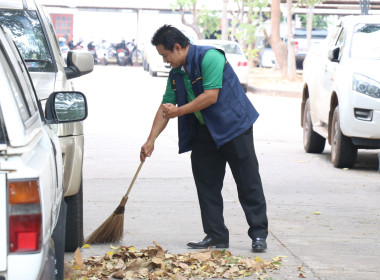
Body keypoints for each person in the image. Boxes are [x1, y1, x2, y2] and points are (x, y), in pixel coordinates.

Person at [140, 25, 268, 252]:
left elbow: (210, 96)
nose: (165, 61)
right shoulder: (176, 73)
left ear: (178, 48)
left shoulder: (211, 57)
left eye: (166, 55)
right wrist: (151, 140)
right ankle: (216, 235)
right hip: (204, 131)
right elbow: (165, 106)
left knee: (248, 182)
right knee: (207, 184)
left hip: (234, 127)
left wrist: (178, 112)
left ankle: (258, 234)